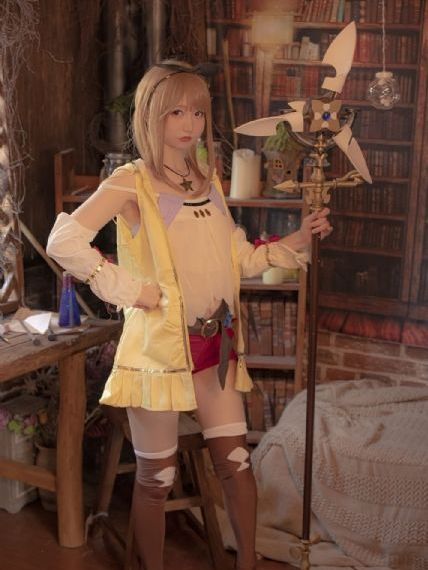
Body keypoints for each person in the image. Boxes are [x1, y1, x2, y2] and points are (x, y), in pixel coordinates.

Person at [46, 60, 332, 570]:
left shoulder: (207, 179)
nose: (190, 124)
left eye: (197, 112)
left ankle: (247, 565)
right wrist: (130, 289)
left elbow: (236, 256)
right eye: (175, 112)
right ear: (150, 115)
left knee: (237, 464)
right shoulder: (131, 182)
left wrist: (297, 238)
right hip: (158, 355)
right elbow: (62, 240)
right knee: (157, 480)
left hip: (214, 350)